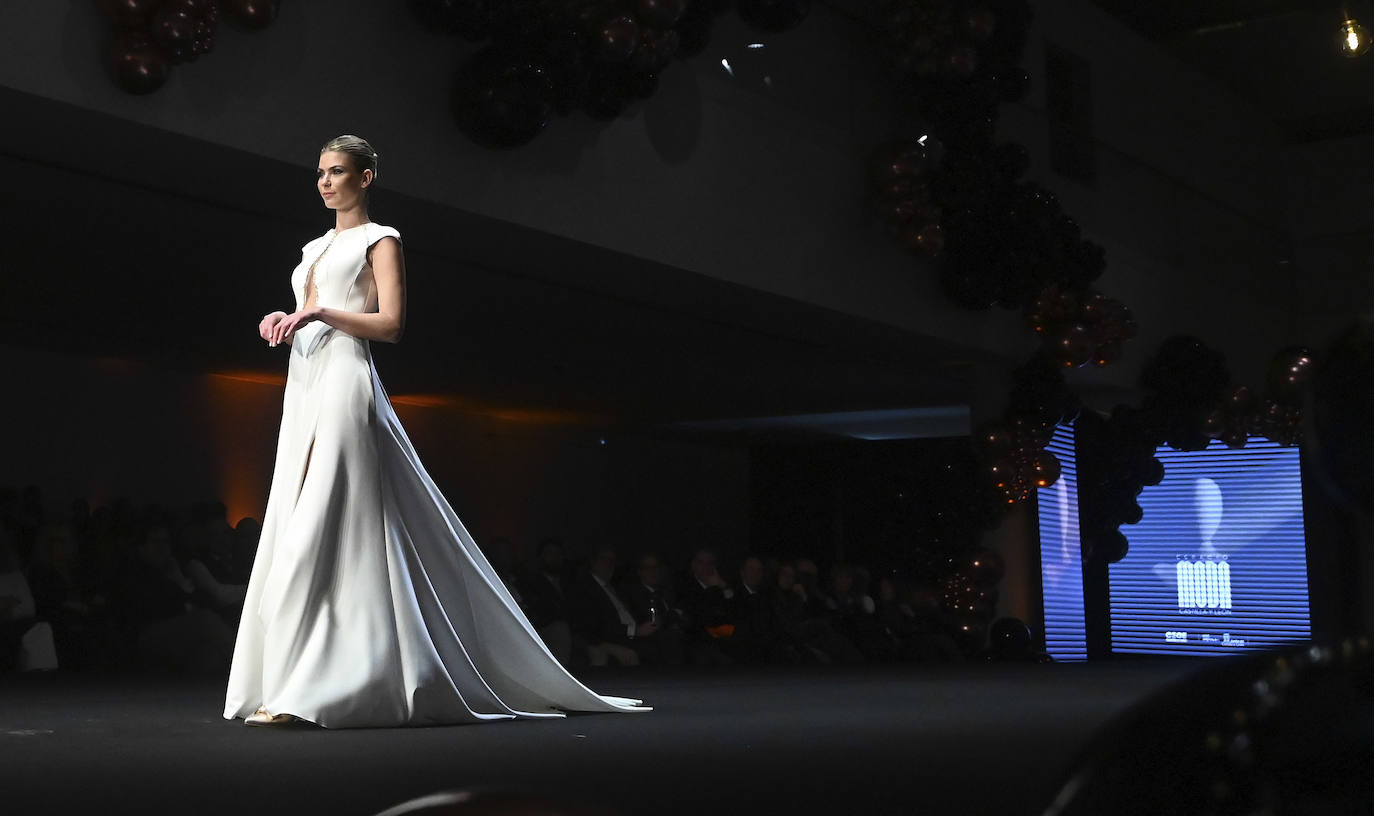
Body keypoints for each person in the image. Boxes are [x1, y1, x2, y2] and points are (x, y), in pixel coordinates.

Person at [223, 135, 647, 728]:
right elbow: (313, 305)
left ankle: (308, 685)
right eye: (320, 172)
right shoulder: (312, 246)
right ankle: (301, 676)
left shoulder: (382, 239)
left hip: (347, 379)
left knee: (322, 519)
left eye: (338, 171)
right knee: (304, 518)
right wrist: (288, 317)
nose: (324, 182)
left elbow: (390, 325)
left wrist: (318, 313)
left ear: (365, 178)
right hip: (305, 379)